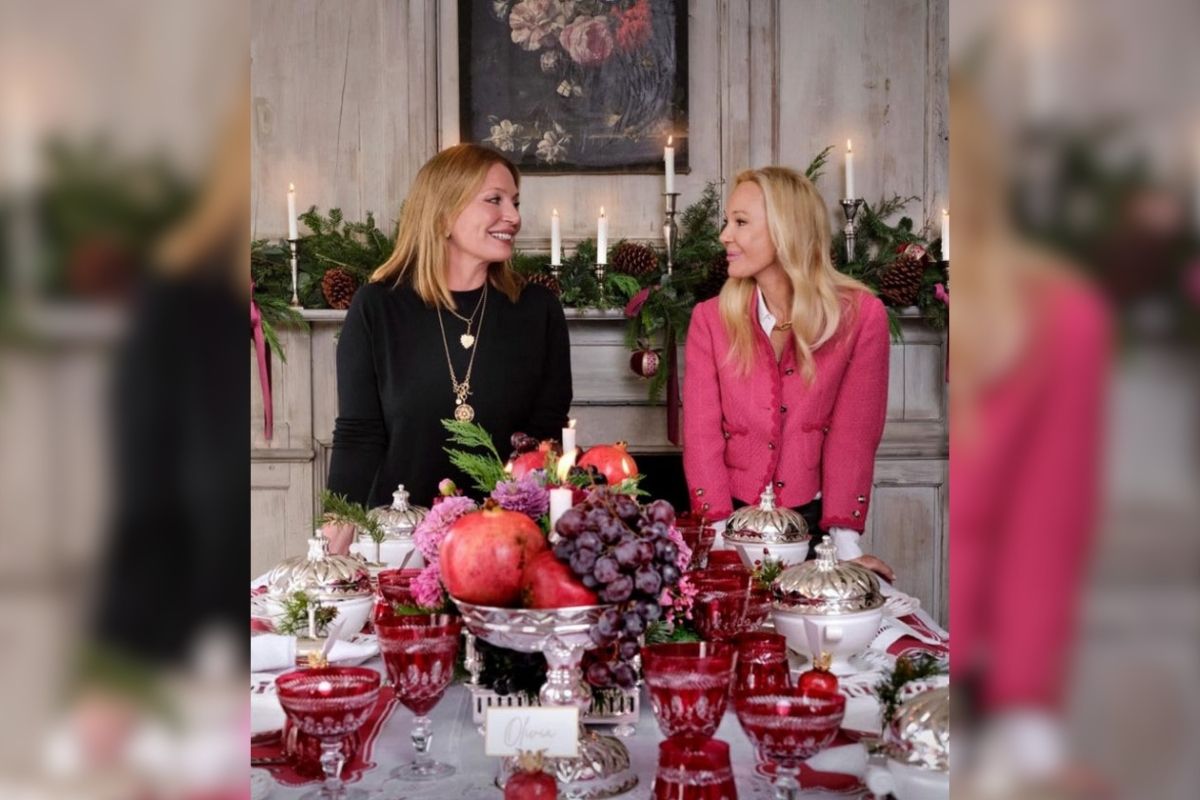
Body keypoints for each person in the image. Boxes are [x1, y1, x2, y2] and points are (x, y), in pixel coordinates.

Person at [325, 143, 572, 512]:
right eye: (495, 200)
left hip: (507, 531)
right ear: (443, 215)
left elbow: (544, 440)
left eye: (515, 202)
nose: (513, 217)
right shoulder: (377, 307)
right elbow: (358, 435)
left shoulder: (538, 310)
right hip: (400, 534)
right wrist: (335, 529)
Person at [682, 166, 894, 579]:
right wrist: (720, 544)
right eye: (727, 221)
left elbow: (854, 434)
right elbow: (701, 437)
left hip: (817, 531)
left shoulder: (861, 316)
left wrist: (845, 546)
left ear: (785, 230)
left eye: (740, 222)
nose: (724, 235)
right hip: (731, 527)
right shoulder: (709, 320)